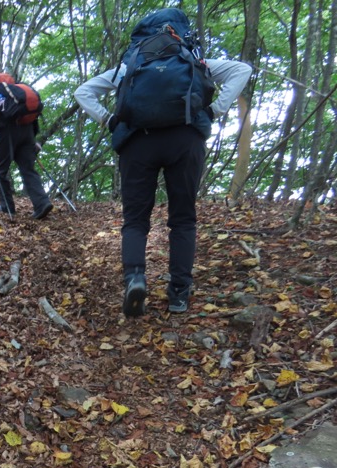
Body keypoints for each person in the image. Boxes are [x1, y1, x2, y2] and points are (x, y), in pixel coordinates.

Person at [74, 8, 251, 316]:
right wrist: (213, 112)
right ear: (179, 32)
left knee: (135, 219)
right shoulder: (196, 62)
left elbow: (83, 91)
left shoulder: (131, 64)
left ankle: (135, 278)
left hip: (138, 143)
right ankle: (179, 293)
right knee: (183, 218)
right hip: (185, 140)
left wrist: (110, 120)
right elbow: (242, 70)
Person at [0, 65, 53, 220]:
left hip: (7, 131)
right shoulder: (10, 88)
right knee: (28, 169)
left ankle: (7, 207)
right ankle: (42, 204)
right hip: (27, 130)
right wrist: (34, 139)